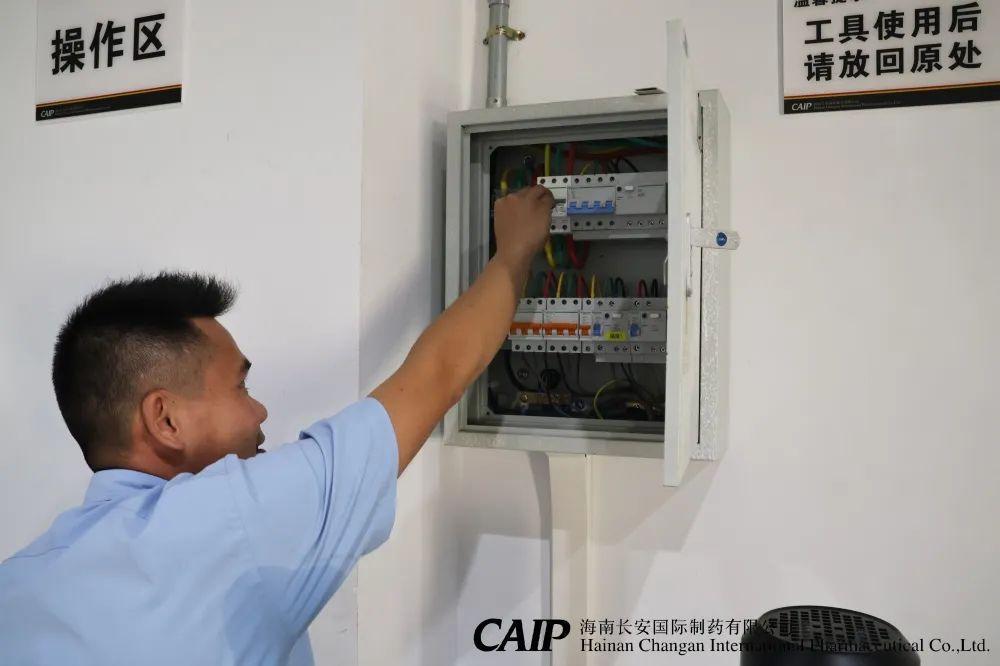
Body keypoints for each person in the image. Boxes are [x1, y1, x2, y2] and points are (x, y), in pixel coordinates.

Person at [0, 185, 554, 665]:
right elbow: (437, 375)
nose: (260, 411)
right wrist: (514, 252)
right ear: (165, 419)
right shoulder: (226, 524)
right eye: (240, 387)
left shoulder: (20, 584)